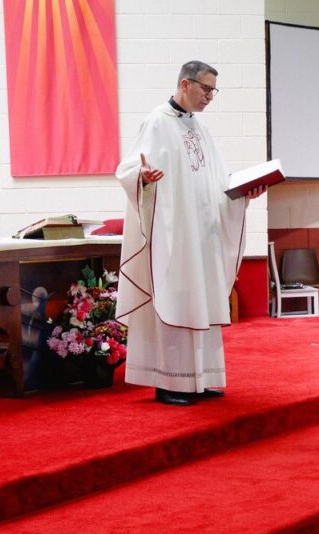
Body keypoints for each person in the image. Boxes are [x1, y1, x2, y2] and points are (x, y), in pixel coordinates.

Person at [114, 61, 265, 407]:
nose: (211, 96)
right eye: (206, 89)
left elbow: (217, 183)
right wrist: (143, 177)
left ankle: (201, 379)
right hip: (174, 236)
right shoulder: (157, 123)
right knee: (176, 300)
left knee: (203, 301)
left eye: (214, 90)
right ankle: (171, 383)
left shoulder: (200, 130)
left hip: (202, 238)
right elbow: (127, 169)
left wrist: (243, 193)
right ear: (185, 84)